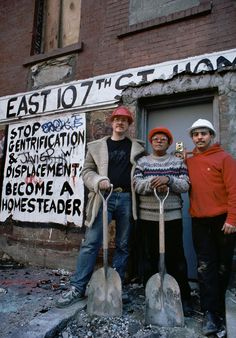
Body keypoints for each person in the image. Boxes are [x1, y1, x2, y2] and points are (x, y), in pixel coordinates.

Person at [56, 106, 145, 308]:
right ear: (111, 122)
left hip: (126, 199)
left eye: (124, 120)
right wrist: (98, 181)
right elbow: (86, 171)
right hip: (103, 197)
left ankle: (117, 286)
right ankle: (78, 288)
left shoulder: (138, 148)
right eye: (117, 119)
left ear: (129, 124)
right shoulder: (96, 147)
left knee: (123, 245)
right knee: (92, 242)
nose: (120, 123)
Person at [133, 126, 192, 316]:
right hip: (148, 217)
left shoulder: (177, 162)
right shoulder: (142, 162)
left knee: (176, 258)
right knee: (150, 258)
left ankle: (183, 297)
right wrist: (154, 183)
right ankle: (152, 296)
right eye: (156, 139)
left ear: (169, 142)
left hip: (171, 216)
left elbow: (185, 184)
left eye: (163, 139)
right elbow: (136, 184)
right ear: (151, 142)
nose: (159, 141)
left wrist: (169, 180)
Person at [186, 118, 236, 336]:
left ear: (212, 136)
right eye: (196, 134)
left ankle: (223, 309)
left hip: (223, 221)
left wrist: (232, 219)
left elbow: (234, 190)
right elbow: (180, 162)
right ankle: (209, 314)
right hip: (199, 222)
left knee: (223, 266)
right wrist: (182, 155)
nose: (199, 137)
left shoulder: (225, 159)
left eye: (203, 133)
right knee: (205, 267)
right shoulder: (189, 160)